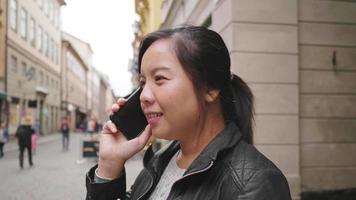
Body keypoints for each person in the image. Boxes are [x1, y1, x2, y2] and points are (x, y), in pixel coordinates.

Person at [85, 26, 292, 200]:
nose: (143, 96)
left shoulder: (254, 184)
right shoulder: (160, 160)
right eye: (142, 83)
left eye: (160, 79)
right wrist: (109, 166)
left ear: (210, 88)